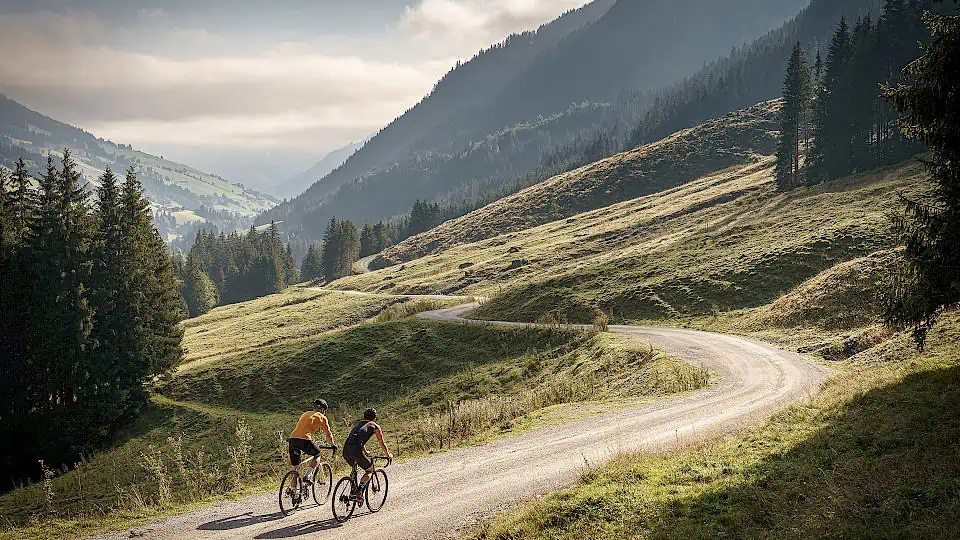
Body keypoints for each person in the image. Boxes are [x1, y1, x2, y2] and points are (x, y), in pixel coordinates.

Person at [342, 408, 393, 503]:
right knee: (370, 470)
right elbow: (382, 442)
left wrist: (365, 451)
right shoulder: (375, 426)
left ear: (364, 416)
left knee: (354, 467)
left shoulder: (357, 424)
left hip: (346, 450)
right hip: (356, 450)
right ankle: (359, 491)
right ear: (374, 417)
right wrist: (388, 454)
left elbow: (356, 438)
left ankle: (352, 491)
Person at [288, 399, 336, 491]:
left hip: (293, 439)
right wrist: (332, 445)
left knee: (295, 467)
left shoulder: (305, 413)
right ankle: (308, 475)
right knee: (317, 454)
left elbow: (302, 427)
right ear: (322, 409)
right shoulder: (322, 417)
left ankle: (293, 490)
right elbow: (328, 434)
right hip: (305, 439)